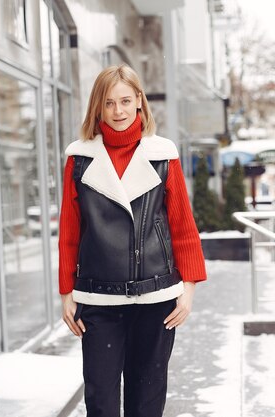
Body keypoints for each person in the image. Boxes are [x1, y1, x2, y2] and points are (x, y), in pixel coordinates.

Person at [58, 64, 207, 417]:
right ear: (98, 107)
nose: (118, 111)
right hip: (98, 298)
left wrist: (188, 290)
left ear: (139, 100)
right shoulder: (79, 157)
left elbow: (182, 226)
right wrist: (67, 293)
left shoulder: (163, 154)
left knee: (146, 404)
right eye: (109, 103)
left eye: (125, 101)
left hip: (156, 298)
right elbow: (70, 231)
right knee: (101, 404)